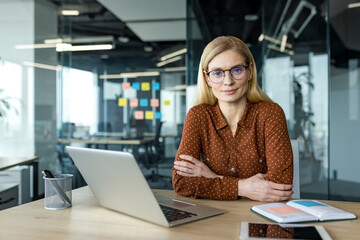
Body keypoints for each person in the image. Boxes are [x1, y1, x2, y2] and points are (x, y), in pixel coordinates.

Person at [172, 36, 293, 201]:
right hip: (214, 218)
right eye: (217, 73)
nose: (228, 81)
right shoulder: (198, 116)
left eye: (236, 70)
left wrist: (212, 177)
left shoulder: (270, 113)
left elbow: (280, 186)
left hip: (260, 216)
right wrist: (243, 187)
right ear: (207, 78)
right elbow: (181, 183)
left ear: (250, 71)